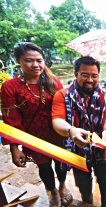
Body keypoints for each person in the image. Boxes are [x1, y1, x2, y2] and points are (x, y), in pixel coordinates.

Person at [1, 42, 73, 207]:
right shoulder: (10, 87)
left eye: (39, 60)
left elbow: (64, 108)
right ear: (19, 61)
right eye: (29, 60)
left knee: (62, 164)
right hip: (33, 137)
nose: (35, 65)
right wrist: (14, 148)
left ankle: (62, 185)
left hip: (57, 134)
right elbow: (11, 119)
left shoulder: (53, 82)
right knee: (44, 167)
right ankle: (52, 191)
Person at [52, 56, 106, 207]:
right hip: (77, 149)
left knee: (104, 178)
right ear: (76, 74)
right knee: (83, 183)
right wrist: (71, 130)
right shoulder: (62, 95)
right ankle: (87, 202)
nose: (90, 80)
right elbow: (57, 120)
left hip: (102, 149)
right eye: (85, 75)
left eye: (94, 76)